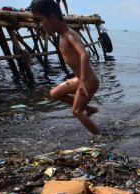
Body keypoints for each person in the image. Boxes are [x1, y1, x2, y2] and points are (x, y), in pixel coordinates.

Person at [31, 0, 100, 134]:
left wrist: (82, 83)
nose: (41, 24)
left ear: (52, 18)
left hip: (88, 81)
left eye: (41, 20)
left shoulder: (69, 35)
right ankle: (89, 108)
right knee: (54, 93)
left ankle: (100, 138)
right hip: (80, 79)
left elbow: (84, 55)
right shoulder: (62, 35)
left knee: (76, 111)